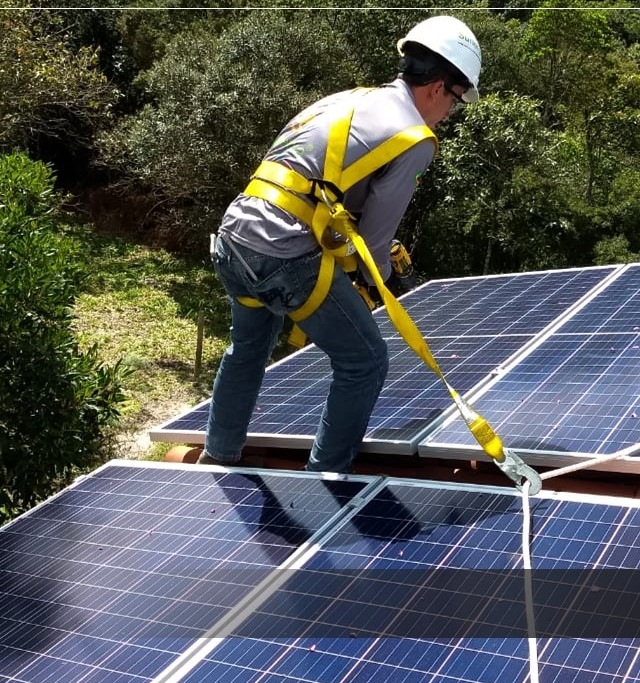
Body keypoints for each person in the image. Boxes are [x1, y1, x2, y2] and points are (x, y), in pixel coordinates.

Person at [200, 15, 482, 473]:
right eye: (454, 100)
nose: (448, 112)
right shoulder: (415, 137)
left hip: (235, 234)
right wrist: (385, 282)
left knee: (248, 349)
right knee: (365, 360)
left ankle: (218, 454)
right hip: (282, 252)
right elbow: (373, 246)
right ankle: (325, 480)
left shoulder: (351, 100)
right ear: (437, 88)